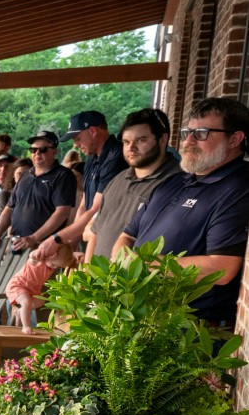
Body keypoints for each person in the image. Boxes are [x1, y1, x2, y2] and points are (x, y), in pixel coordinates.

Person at [115, 97, 249, 329]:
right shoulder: (174, 182)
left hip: (190, 333)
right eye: (187, 132)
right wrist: (123, 266)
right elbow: (127, 235)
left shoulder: (238, 187)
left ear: (235, 139)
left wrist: (141, 266)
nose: (188, 141)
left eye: (202, 133)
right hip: (140, 321)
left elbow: (223, 267)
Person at [85, 109, 180, 260]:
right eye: (126, 142)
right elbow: (95, 233)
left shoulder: (180, 183)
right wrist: (86, 273)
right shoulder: (117, 180)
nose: (131, 147)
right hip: (99, 281)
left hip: (140, 281)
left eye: (141, 140)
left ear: (162, 140)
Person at [37, 111, 127, 263]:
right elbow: (84, 206)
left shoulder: (116, 156)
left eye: (77, 138)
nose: (75, 145)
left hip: (112, 239)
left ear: (92, 131)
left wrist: (57, 239)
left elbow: (96, 209)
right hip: (90, 236)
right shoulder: (91, 158)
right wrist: (71, 243)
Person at [0, 128, 76, 252]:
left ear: (54, 151)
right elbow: (9, 208)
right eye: (33, 150)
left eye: (42, 150)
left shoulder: (63, 175)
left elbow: (62, 212)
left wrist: (34, 238)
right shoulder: (26, 175)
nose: (37, 153)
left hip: (44, 247)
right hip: (17, 244)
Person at [6, 240, 75, 334]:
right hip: (19, 285)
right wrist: (39, 252)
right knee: (26, 302)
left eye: (57, 266)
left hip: (33, 289)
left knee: (40, 301)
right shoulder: (37, 260)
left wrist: (76, 256)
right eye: (53, 264)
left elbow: (68, 258)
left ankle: (20, 311)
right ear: (48, 254)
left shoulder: (52, 264)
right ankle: (25, 326)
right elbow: (32, 256)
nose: (54, 267)